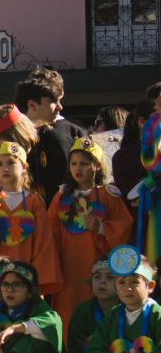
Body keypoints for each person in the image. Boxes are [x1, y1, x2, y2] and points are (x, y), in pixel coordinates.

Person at [48, 137, 132, 329]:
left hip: (98, 266)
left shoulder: (108, 195)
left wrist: (101, 227)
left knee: (98, 314)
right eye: (74, 163)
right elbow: (49, 231)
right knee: (67, 314)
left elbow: (124, 227)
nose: (78, 168)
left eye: (84, 164)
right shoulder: (61, 196)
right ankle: (67, 347)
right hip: (68, 267)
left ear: (97, 166)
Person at [0, 141, 62, 296]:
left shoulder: (33, 202)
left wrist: (36, 277)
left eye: (11, 163)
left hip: (25, 274)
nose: (5, 168)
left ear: (24, 167)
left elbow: (43, 243)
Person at [75, 246, 161, 353]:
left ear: (150, 286)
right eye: (121, 282)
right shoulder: (113, 315)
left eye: (134, 282)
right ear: (116, 286)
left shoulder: (157, 313)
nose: (127, 287)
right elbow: (96, 346)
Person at [15, 67, 86, 199]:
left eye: (59, 100)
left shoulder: (59, 136)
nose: (60, 107)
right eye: (53, 101)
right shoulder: (16, 137)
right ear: (32, 105)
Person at [66, 259, 119, 353]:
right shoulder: (82, 311)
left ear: (121, 283)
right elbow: (75, 351)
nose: (102, 281)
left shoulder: (127, 310)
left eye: (110, 277)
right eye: (97, 277)